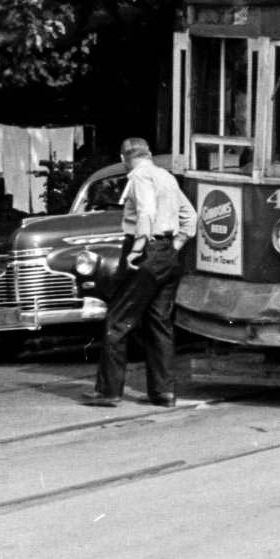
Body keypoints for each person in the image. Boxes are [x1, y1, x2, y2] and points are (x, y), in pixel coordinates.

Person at [86, 138, 196, 408]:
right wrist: (176, 244)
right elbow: (190, 215)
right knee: (159, 322)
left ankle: (109, 391)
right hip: (168, 251)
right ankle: (163, 391)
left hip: (145, 251)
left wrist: (137, 248)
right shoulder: (166, 177)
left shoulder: (138, 178)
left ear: (125, 158)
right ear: (148, 154)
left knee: (118, 319)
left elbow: (146, 211)